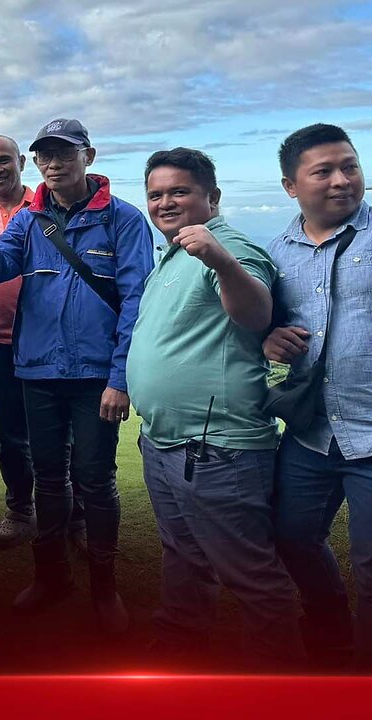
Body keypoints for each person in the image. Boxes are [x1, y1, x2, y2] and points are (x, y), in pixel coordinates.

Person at [0, 119, 154, 634]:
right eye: (44, 154)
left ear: (87, 155)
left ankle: (104, 587)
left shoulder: (124, 219)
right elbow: (1, 269)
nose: (52, 162)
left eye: (63, 153)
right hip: (39, 369)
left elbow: (135, 301)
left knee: (95, 479)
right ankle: (51, 578)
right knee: (48, 479)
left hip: (96, 377)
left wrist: (120, 378)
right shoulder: (29, 217)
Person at [129, 148, 303, 665]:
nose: (166, 202)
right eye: (156, 194)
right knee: (183, 559)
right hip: (164, 442)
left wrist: (219, 260)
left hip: (217, 448)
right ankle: (177, 661)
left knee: (252, 576)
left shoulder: (228, 247)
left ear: (213, 197)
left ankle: (278, 689)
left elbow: (255, 314)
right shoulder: (170, 254)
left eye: (179, 191)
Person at [264, 123, 370, 665]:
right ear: (290, 186)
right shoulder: (276, 252)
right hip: (311, 434)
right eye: (322, 171)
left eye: (349, 166)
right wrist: (268, 335)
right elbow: (264, 319)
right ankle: (329, 628)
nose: (341, 180)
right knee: (290, 537)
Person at [0, 136, 87, 551]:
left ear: (21, 163)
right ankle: (20, 509)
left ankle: (77, 517)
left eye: (4, 160)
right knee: (9, 434)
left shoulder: (44, 207)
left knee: (67, 434)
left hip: (50, 338)